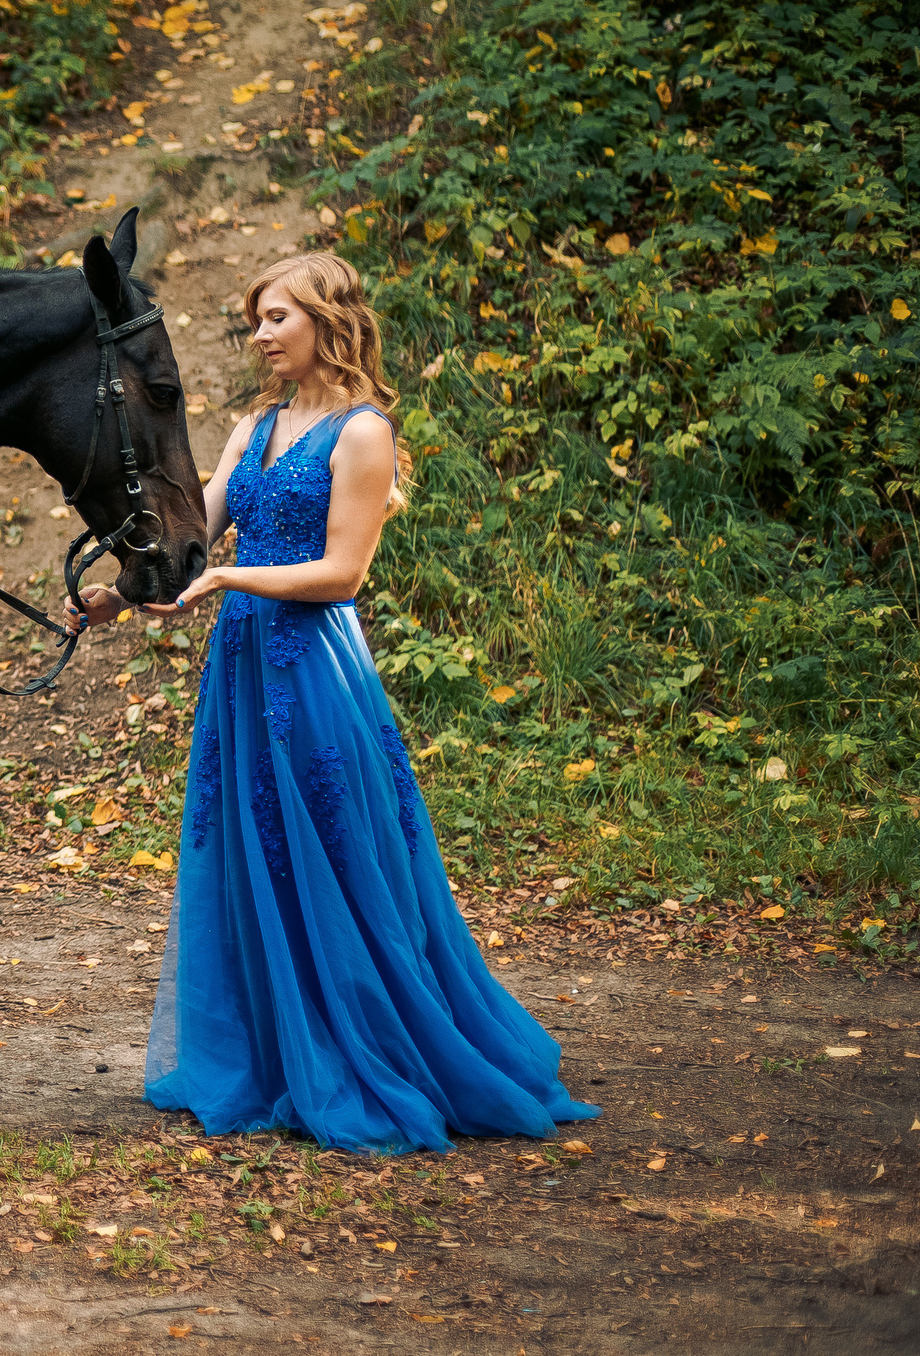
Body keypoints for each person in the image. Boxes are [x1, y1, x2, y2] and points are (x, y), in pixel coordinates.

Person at [75, 251, 598, 1155]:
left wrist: (232, 577)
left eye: (276, 316)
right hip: (241, 669)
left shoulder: (364, 433)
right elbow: (194, 535)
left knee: (337, 854)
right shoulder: (255, 426)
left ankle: (377, 1049)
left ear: (328, 317)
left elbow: (342, 573)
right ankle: (276, 1055)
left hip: (313, 668)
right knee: (252, 853)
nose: (261, 334)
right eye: (254, 321)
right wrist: (123, 590)